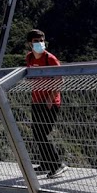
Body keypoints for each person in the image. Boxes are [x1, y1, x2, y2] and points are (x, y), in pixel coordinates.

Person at [24, 29, 67, 178]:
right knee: (37, 133)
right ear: (30, 43)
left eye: (41, 40)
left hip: (50, 103)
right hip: (36, 101)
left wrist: (50, 98)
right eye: (36, 41)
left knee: (43, 133)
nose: (40, 43)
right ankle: (46, 163)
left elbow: (60, 81)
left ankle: (57, 164)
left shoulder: (51, 59)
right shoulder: (29, 58)